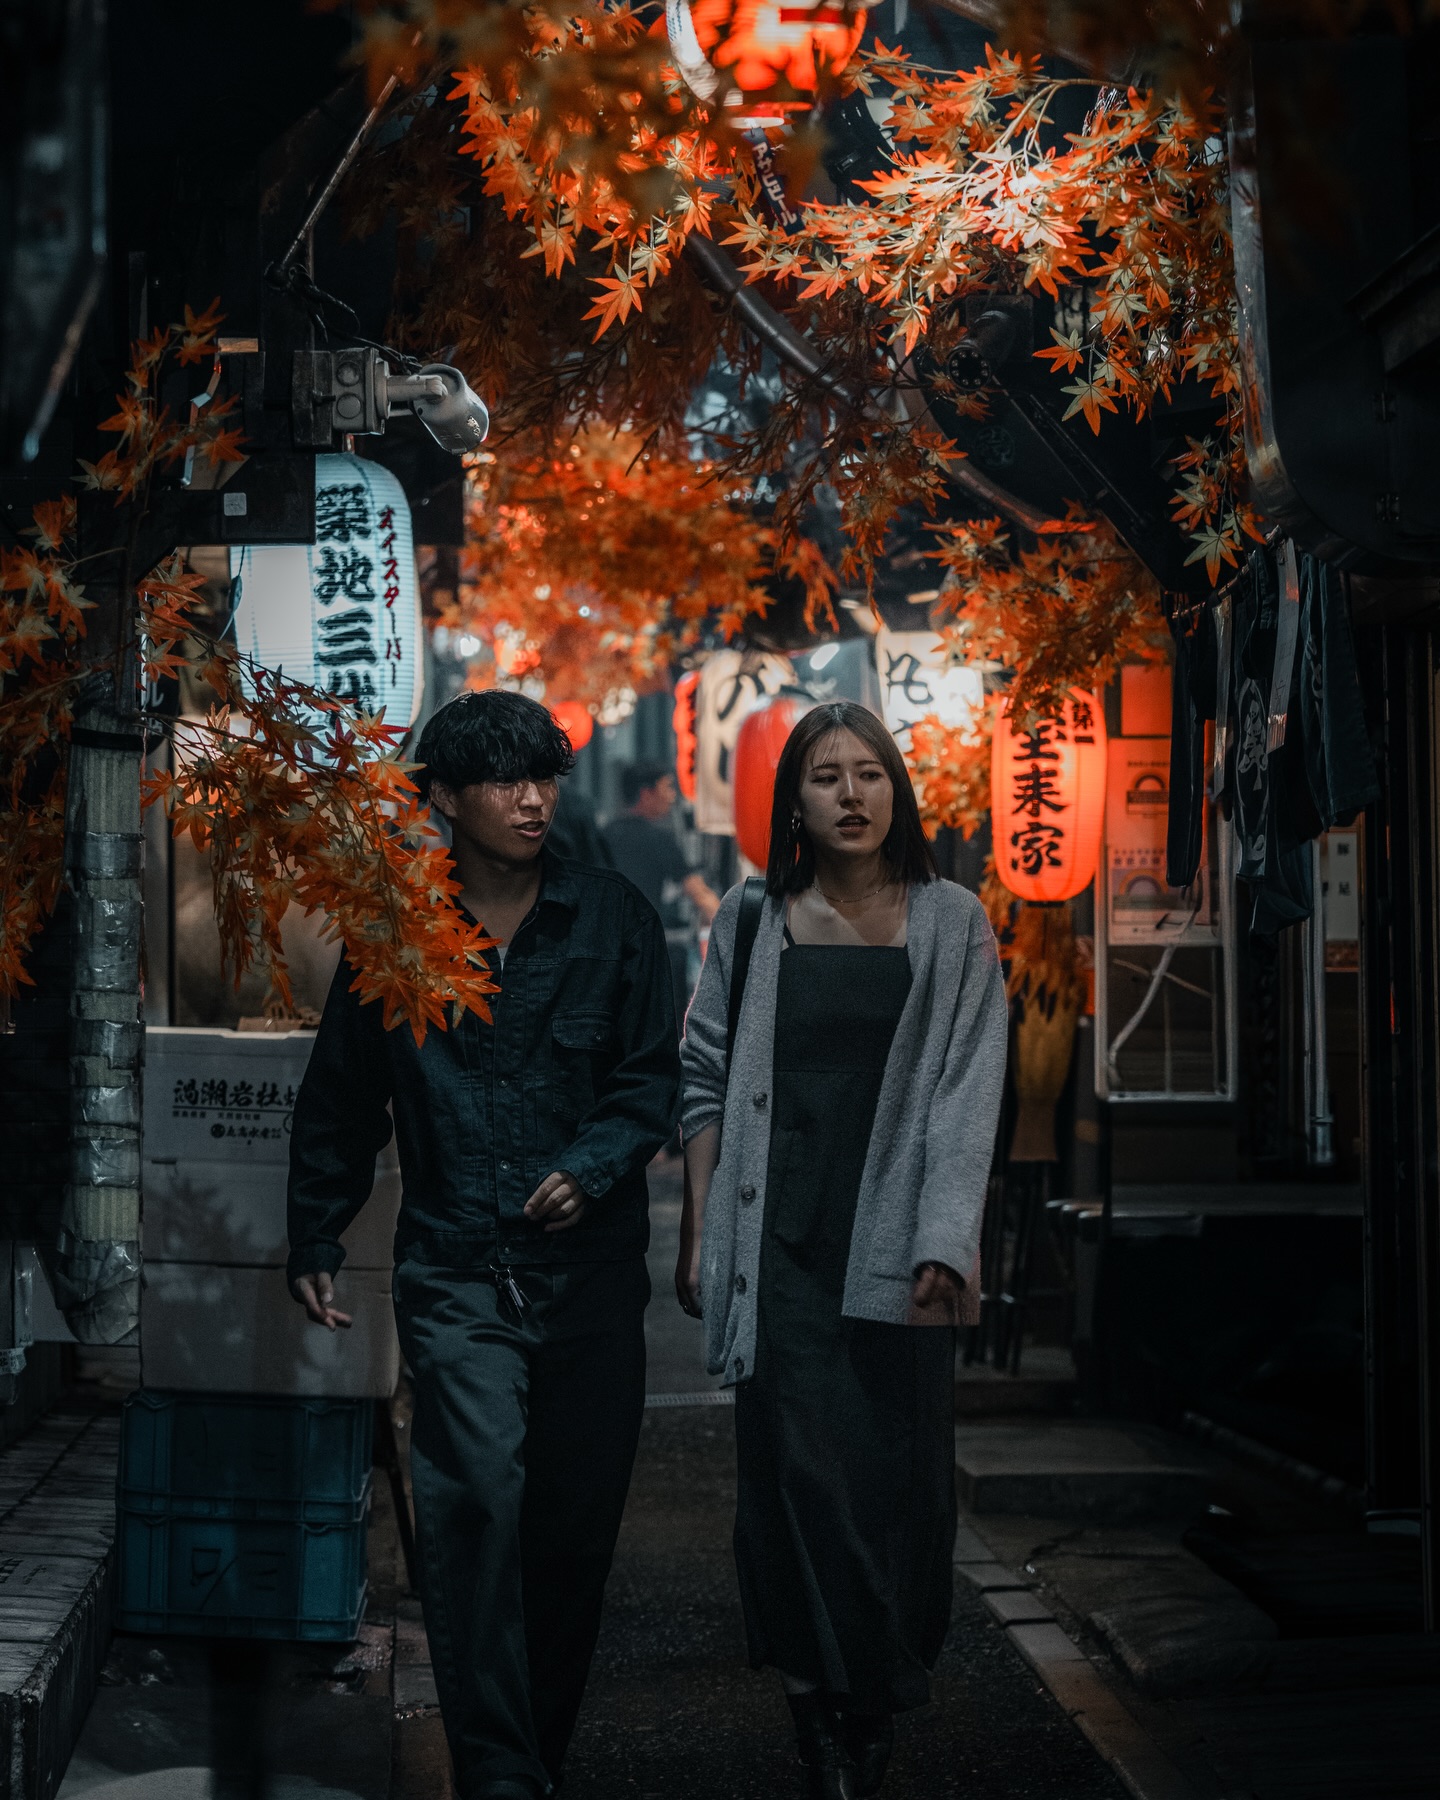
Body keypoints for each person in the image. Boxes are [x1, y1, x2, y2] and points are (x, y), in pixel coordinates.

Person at [287, 690, 681, 1800]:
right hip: (459, 1266)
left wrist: (594, 1162)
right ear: (446, 798)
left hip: (594, 1278)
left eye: (544, 776)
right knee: (475, 1505)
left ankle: (531, 1754)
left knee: (569, 1532)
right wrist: (314, 1225)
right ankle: (501, 1771)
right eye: (505, 780)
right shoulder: (398, 929)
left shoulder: (616, 918)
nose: (530, 798)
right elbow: (342, 1098)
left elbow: (651, 1076)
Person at [676, 700, 1008, 1800]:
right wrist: (699, 1225)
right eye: (828, 777)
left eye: (871, 774)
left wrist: (947, 1241)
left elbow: (968, 1094)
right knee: (797, 1479)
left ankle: (874, 1684)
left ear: (897, 792)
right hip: (778, 1245)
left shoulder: (952, 920)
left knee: (896, 1481)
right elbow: (706, 1077)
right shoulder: (751, 917)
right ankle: (824, 1703)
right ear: (796, 801)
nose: (852, 795)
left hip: (901, 1246)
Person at [604, 758, 721, 1025]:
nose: (671, 797)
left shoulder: (604, 834)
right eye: (667, 788)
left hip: (605, 952)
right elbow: (700, 894)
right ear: (646, 794)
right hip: (646, 953)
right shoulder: (659, 839)